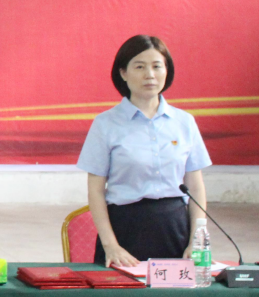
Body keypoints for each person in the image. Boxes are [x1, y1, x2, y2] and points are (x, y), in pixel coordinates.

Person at [77, 35, 211, 267]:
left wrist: (196, 241)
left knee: (175, 291)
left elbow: (196, 187)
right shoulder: (105, 124)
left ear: (166, 71)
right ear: (123, 73)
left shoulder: (184, 122)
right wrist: (111, 245)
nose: (150, 74)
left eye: (157, 66)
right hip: (125, 228)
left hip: (175, 228)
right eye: (139, 67)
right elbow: (96, 191)